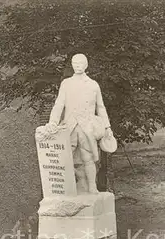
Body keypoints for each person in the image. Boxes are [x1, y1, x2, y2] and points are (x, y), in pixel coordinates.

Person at [48, 53, 115, 194]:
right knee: (66, 157)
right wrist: (53, 122)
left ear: (86, 65)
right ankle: (78, 184)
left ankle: (91, 186)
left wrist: (107, 126)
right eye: (74, 63)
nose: (77, 66)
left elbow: (100, 107)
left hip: (87, 126)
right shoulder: (66, 84)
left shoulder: (93, 85)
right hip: (69, 125)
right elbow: (59, 104)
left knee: (88, 157)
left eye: (80, 63)